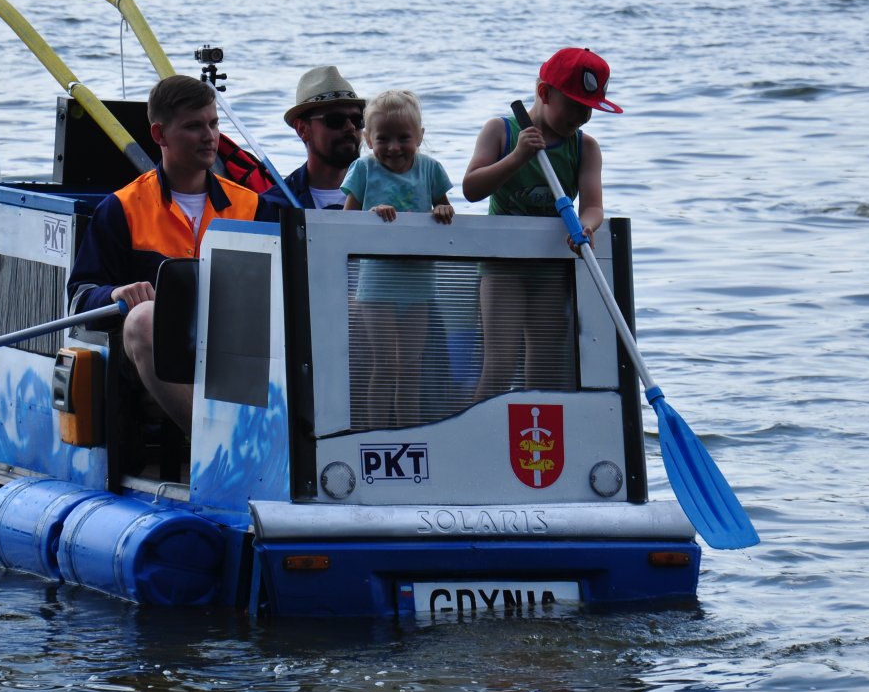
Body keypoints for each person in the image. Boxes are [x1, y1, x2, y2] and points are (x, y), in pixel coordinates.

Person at [67, 75, 265, 433]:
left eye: (213, 123)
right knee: (143, 317)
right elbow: (79, 299)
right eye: (193, 127)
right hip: (155, 361)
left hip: (236, 350)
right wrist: (114, 294)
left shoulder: (252, 205)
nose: (209, 137)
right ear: (159, 135)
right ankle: (213, 443)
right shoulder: (121, 208)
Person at [461, 47, 623, 400]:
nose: (582, 116)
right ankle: (478, 437)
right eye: (575, 105)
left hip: (551, 267)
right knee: (501, 363)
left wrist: (587, 227)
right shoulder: (501, 131)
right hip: (501, 266)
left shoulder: (585, 147)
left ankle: (537, 451)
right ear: (545, 93)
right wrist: (518, 157)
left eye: (589, 109)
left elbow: (593, 205)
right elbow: (471, 188)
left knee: (545, 366)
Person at [341, 89, 454, 427]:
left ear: (419, 136)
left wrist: (444, 209)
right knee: (385, 364)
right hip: (377, 284)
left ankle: (409, 430)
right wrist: (371, 213)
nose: (393, 147)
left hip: (418, 282)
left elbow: (444, 207)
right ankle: (377, 432)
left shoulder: (430, 169)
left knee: (410, 367)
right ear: (368, 139)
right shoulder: (363, 168)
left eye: (403, 137)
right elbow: (343, 221)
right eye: (383, 138)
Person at [256, 66, 366, 220]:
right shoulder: (275, 207)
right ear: (302, 129)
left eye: (357, 119)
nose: (350, 127)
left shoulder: (385, 193)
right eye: (336, 120)